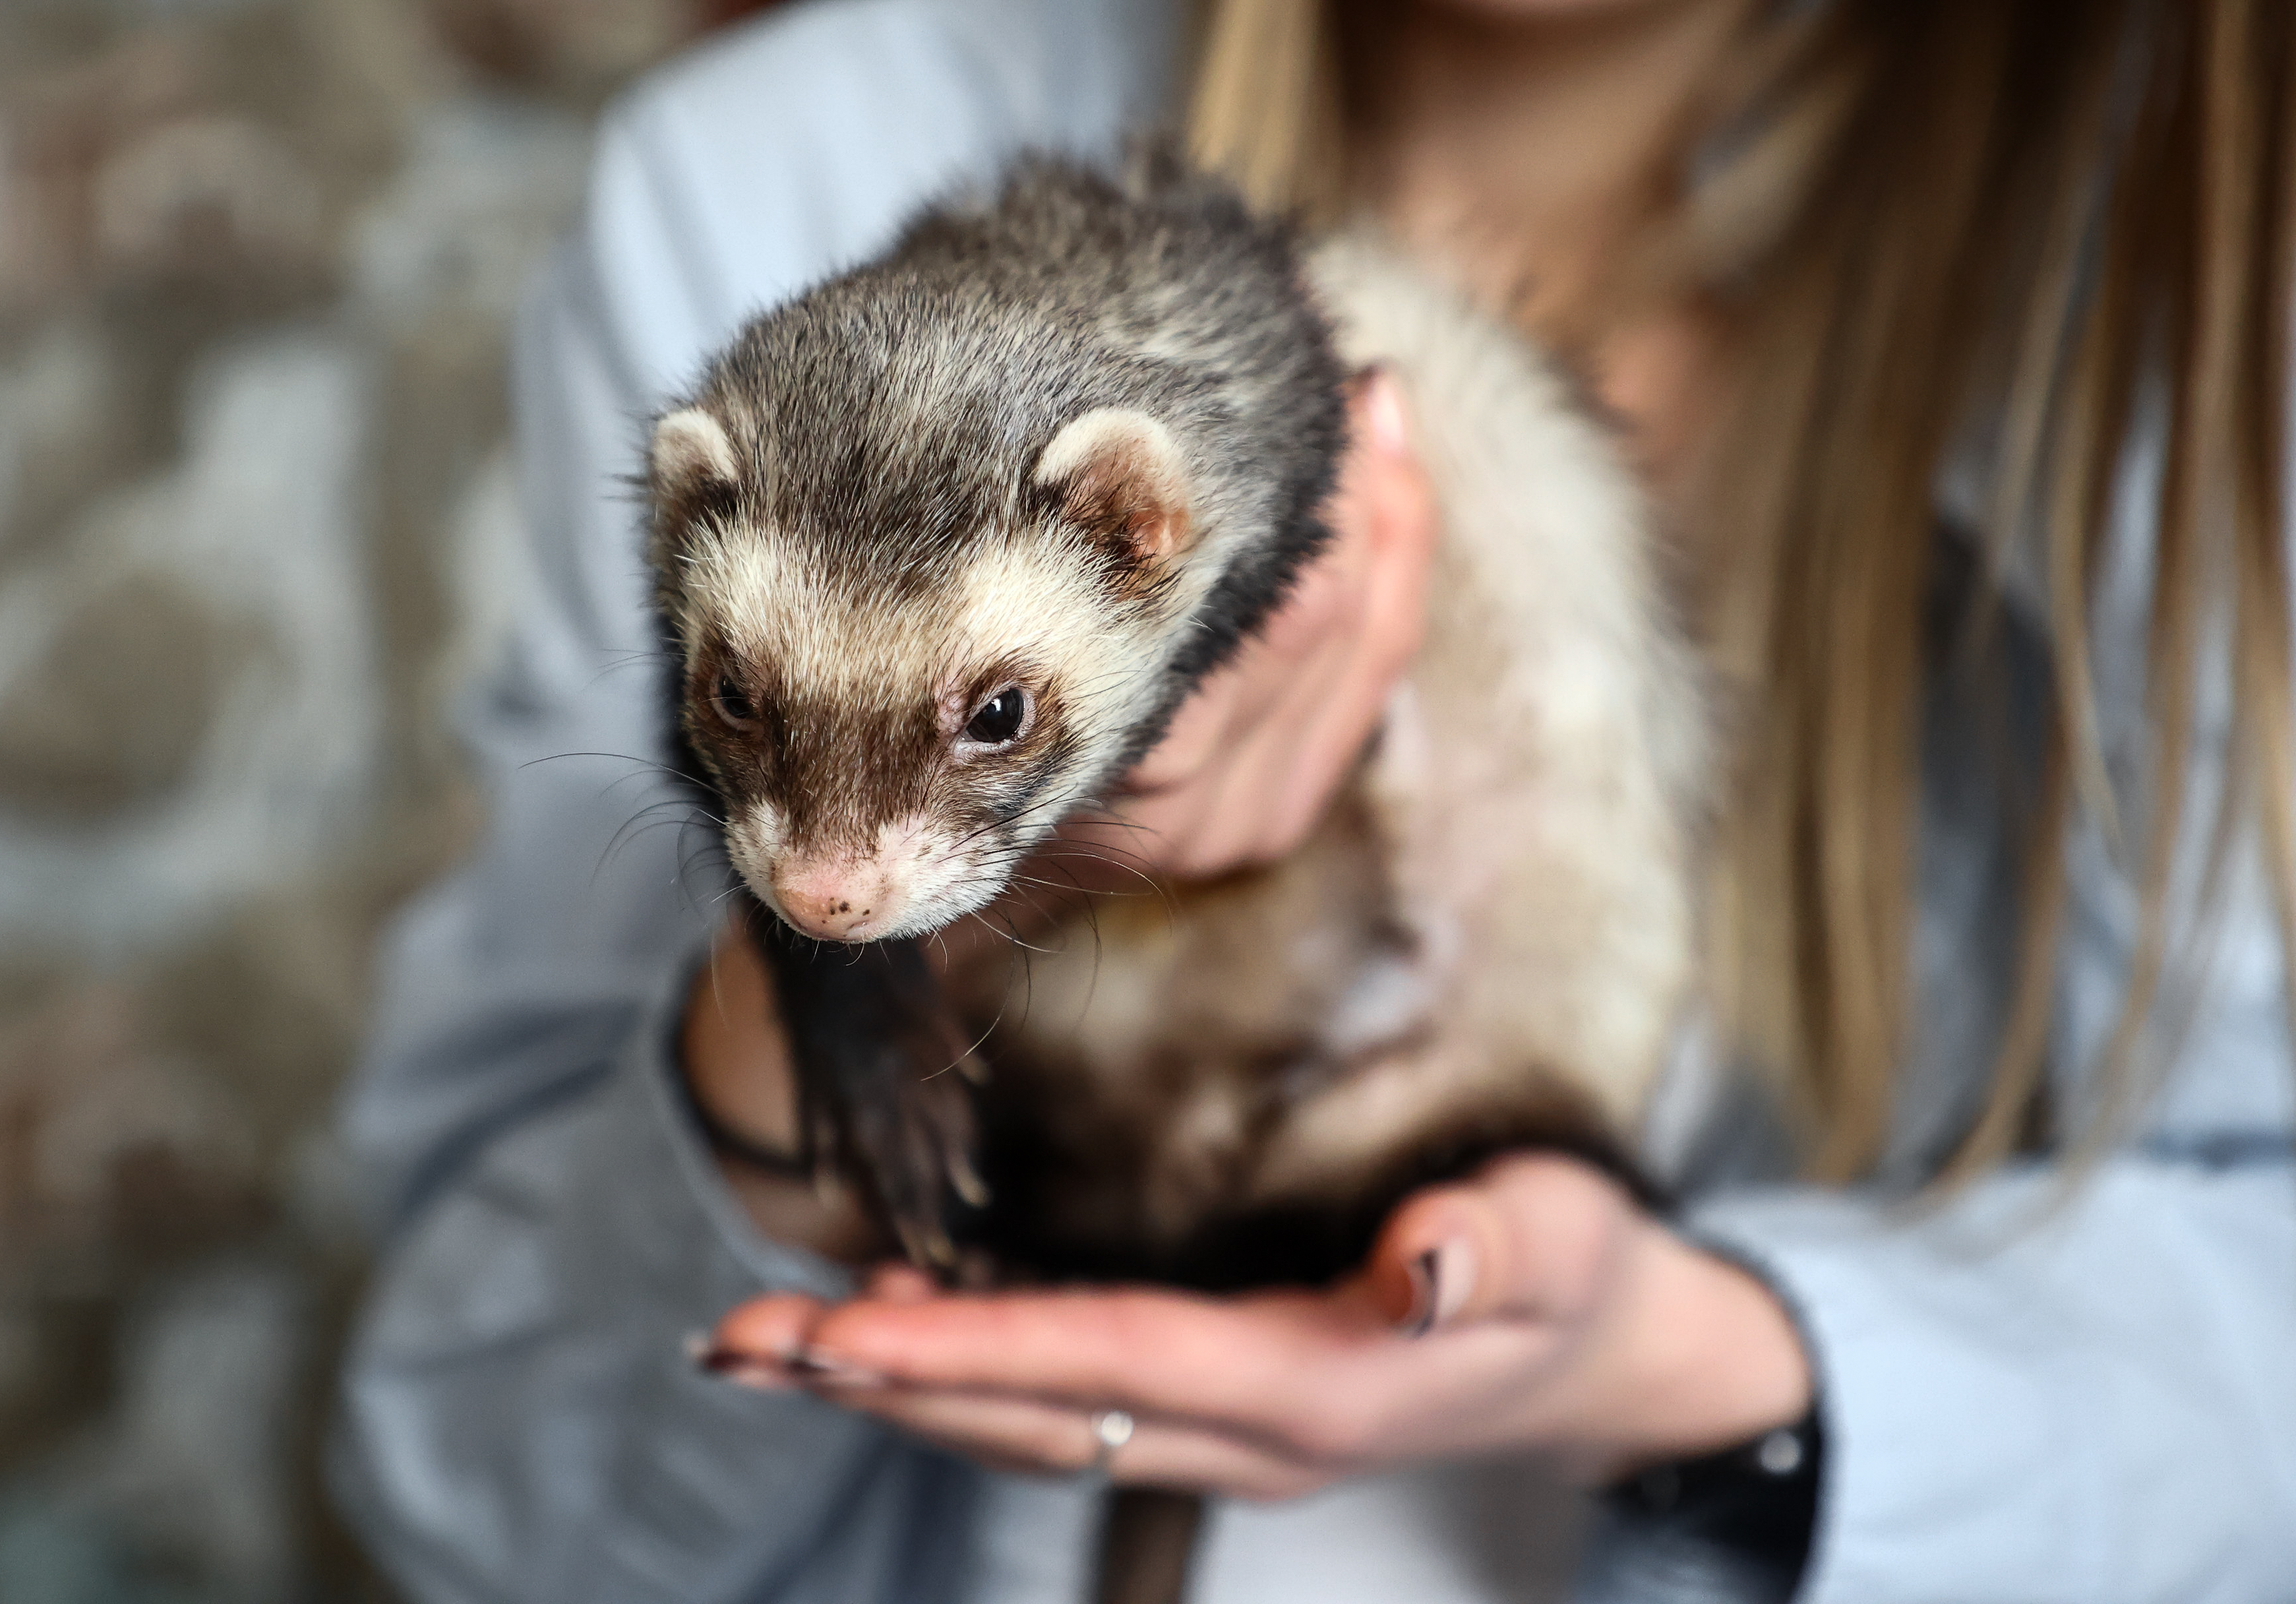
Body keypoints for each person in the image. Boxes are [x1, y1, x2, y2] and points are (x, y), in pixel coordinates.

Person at [330, 1, 2296, 1600]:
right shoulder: (780, 170)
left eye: (997, 708)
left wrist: (1706, 1373)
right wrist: (812, 1023)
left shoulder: (2202, 278)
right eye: (752, 701)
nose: (835, 868)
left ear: (1146, 538)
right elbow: (472, 1501)